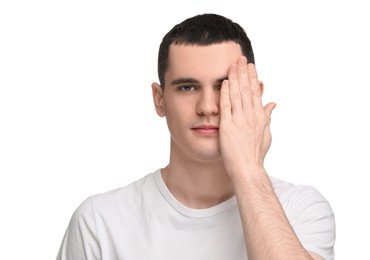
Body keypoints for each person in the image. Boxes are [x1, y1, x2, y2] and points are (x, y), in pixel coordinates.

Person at [56, 13, 335, 260]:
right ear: (159, 100)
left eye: (223, 86)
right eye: (188, 88)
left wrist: (249, 170)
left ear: (253, 95)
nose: (207, 107)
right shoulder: (99, 220)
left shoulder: (300, 209)